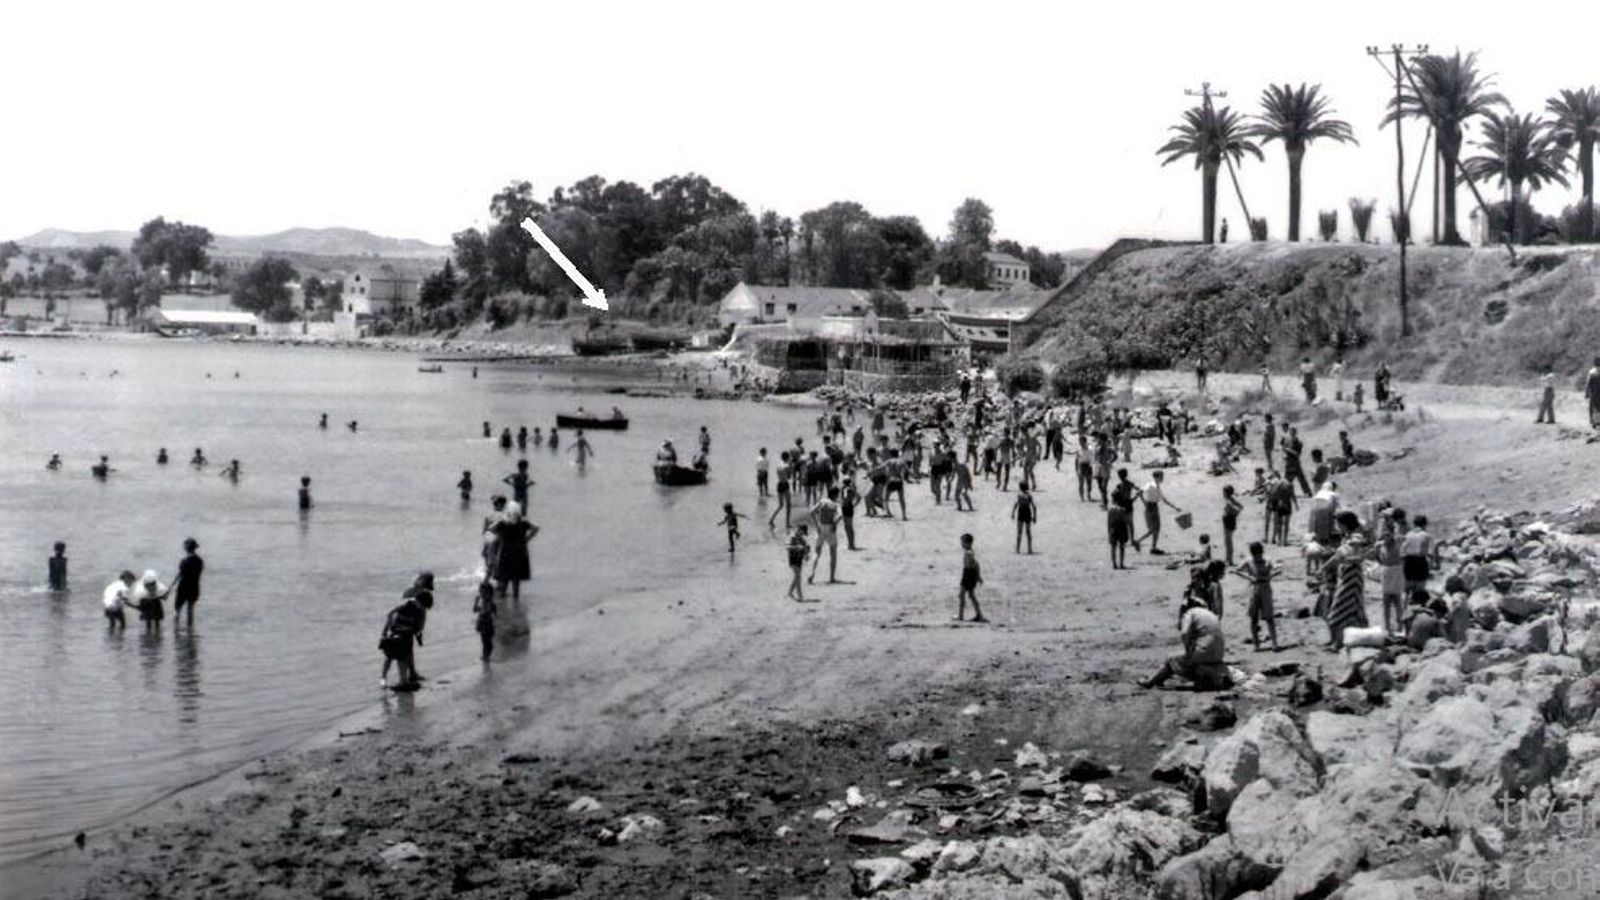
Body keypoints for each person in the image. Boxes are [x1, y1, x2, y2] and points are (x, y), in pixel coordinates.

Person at [1139, 594, 1229, 690]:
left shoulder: (1190, 613)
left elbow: (1184, 633)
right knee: (1193, 661)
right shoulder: (1211, 614)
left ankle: (1152, 682)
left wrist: (1187, 648)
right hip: (1220, 653)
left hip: (1203, 651)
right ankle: (1210, 678)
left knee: (1172, 659)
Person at [1324, 511, 1371, 650]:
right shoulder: (1347, 537)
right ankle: (1337, 640)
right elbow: (1338, 556)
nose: (1336, 526)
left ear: (1344, 524)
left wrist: (1345, 560)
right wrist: (1324, 567)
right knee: (1351, 609)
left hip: (1352, 578)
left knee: (1337, 610)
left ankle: (1337, 641)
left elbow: (1359, 556)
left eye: (1338, 524)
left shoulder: (1355, 537)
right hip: (1345, 576)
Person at [379, 578, 432, 690]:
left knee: (402, 659)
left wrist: (419, 637)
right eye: (423, 606)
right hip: (394, 636)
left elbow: (417, 627)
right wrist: (384, 632)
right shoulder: (405, 608)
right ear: (418, 602)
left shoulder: (418, 611)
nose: (424, 609)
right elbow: (390, 615)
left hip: (405, 637)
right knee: (388, 659)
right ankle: (383, 679)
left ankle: (404, 680)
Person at [1235, 541, 1280, 651]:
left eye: (1259, 555)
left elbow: (1278, 569)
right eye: (1256, 556)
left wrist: (1269, 577)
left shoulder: (1268, 560)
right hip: (1254, 589)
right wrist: (1249, 578)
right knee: (1253, 618)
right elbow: (1237, 570)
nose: (1257, 557)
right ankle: (1256, 644)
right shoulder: (1248, 560)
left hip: (1265, 589)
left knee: (1269, 618)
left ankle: (1274, 643)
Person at [494, 503, 539, 602]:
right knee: (516, 580)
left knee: (504, 579)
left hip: (506, 552)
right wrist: (527, 539)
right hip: (520, 552)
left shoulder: (503, 523)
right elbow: (536, 528)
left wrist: (500, 538)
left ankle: (502, 605)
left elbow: (492, 529)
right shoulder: (523, 523)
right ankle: (515, 602)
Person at [1377, 508, 1407, 635]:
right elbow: (1377, 557)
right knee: (1386, 601)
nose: (1386, 537)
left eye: (1388, 534)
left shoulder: (1398, 543)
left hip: (1396, 571)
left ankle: (1400, 624)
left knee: (1397, 600)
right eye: (1385, 535)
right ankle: (1387, 626)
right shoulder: (1380, 546)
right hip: (1386, 571)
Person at [1140, 470, 1181, 555]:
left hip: (1154, 507)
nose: (1162, 478)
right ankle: (1140, 542)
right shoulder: (1150, 485)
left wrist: (1174, 507)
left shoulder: (1157, 486)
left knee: (1156, 529)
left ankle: (1153, 547)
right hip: (1150, 507)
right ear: (1156, 477)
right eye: (1161, 476)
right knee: (1153, 529)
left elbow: (1163, 499)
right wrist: (1145, 504)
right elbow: (1139, 493)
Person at [1108, 468, 1141, 569]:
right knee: (1130, 524)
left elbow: (1113, 495)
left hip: (1122, 506)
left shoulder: (1119, 486)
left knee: (1114, 545)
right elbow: (1137, 489)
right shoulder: (1129, 484)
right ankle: (1131, 539)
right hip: (1128, 504)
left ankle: (1114, 564)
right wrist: (1137, 495)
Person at [808, 488, 842, 583]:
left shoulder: (822, 501)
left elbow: (811, 512)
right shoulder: (835, 505)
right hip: (830, 529)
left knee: (817, 552)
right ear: (835, 495)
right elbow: (840, 515)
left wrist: (816, 525)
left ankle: (812, 572)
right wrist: (834, 524)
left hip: (820, 527)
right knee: (833, 554)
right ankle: (831, 577)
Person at [1401, 514, 1435, 597]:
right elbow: (1430, 553)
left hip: (1408, 561)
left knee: (1407, 589)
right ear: (1425, 524)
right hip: (1420, 561)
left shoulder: (1408, 535)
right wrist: (1429, 568)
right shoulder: (1427, 536)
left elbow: (1402, 551)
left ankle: (1404, 606)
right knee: (1420, 589)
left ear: (1414, 524)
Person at [173, 538, 204, 627]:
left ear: (187, 548)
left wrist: (171, 587)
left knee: (177, 610)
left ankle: (176, 630)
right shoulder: (200, 561)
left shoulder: (184, 561)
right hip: (194, 587)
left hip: (183, 588)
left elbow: (180, 575)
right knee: (190, 610)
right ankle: (190, 630)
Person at [957, 533, 987, 623]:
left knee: (964, 595)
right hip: (966, 573)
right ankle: (976, 615)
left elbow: (976, 564)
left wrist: (978, 576)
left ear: (968, 543)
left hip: (969, 575)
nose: (961, 544)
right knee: (967, 595)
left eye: (962, 542)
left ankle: (963, 616)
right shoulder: (968, 552)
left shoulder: (969, 553)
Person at [768, 451, 794, 528]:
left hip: (779, 484)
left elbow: (780, 474)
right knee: (788, 505)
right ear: (787, 458)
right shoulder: (787, 466)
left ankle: (771, 520)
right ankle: (787, 524)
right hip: (785, 484)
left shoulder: (779, 465)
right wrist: (791, 466)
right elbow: (789, 476)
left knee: (780, 505)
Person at [786, 525, 811, 602]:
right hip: (793, 559)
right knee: (798, 577)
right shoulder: (792, 537)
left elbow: (806, 550)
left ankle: (789, 592)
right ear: (798, 530)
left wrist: (806, 554)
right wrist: (796, 547)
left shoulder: (802, 540)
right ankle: (800, 596)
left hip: (799, 560)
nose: (802, 534)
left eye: (803, 533)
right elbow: (787, 547)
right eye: (801, 532)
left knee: (796, 577)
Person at [473, 581, 497, 661]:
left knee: (488, 642)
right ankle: (485, 656)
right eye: (480, 592)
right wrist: (475, 603)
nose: (482, 595)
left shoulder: (491, 603)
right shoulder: (481, 601)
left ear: (490, 594)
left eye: (484, 593)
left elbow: (494, 614)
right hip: (481, 623)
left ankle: (487, 654)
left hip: (488, 624)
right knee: (483, 640)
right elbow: (475, 610)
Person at [1011, 483, 1038, 554]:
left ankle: (1017, 549)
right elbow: (1034, 507)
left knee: (1019, 532)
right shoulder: (1029, 496)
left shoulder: (1019, 495)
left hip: (1021, 513)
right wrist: (1035, 517)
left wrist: (1013, 513)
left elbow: (1016, 505)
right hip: (1028, 513)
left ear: (1020, 487)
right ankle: (1029, 549)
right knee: (1028, 532)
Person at [1221, 485, 1243, 565]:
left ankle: (1229, 560)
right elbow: (1241, 506)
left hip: (1228, 520)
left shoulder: (1228, 500)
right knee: (1228, 541)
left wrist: (1234, 513)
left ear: (1226, 493)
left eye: (1223, 492)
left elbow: (1235, 507)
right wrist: (1236, 514)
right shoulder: (1232, 499)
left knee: (1228, 541)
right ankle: (1228, 559)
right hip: (1231, 520)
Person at [884, 449, 908, 521]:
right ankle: (904, 515)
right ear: (897, 454)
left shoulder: (889, 461)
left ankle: (888, 512)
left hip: (891, 480)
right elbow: (907, 470)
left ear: (891, 455)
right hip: (899, 480)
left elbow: (880, 467)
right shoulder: (901, 461)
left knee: (885, 497)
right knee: (901, 499)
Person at [840, 480, 859, 550]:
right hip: (850, 507)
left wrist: (845, 502)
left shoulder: (845, 489)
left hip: (845, 507)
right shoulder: (851, 489)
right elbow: (859, 497)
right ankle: (851, 543)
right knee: (850, 527)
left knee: (847, 527)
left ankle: (850, 544)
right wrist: (854, 504)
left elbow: (845, 498)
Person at [1588, 356, 1600, 429]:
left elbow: (1588, 383)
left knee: (1593, 407)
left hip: (1594, 393)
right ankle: (1598, 422)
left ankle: (1594, 422)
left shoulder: (1592, 371)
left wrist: (1587, 393)